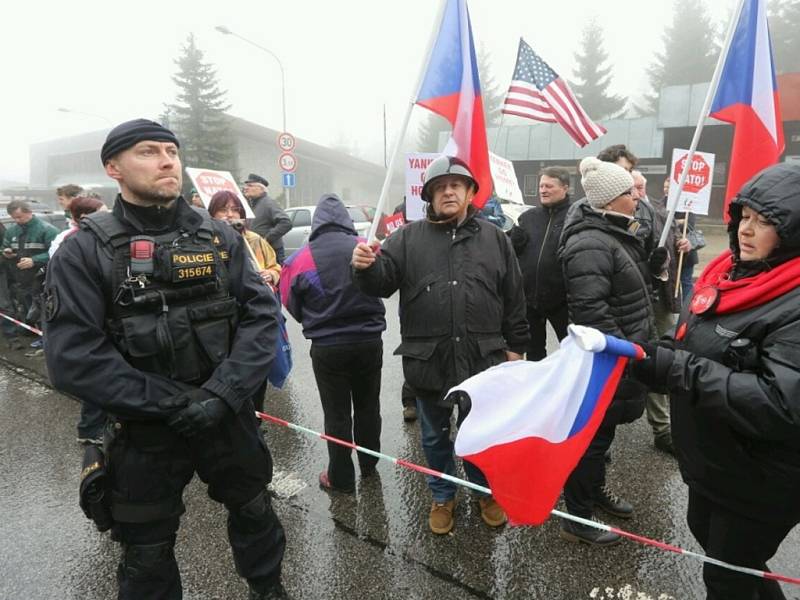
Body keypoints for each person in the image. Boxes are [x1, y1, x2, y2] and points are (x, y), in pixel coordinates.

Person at [42, 118, 287, 600]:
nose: (167, 160)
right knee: (146, 553)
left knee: (257, 514)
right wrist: (175, 404)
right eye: (149, 152)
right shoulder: (85, 250)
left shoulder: (220, 237)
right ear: (113, 167)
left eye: (171, 150)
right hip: (146, 430)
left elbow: (262, 318)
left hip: (225, 416)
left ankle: (269, 590)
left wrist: (222, 395)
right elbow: (74, 357)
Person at [632, 163, 800, 600]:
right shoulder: (725, 273)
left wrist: (677, 370)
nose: (747, 229)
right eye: (744, 216)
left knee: (727, 577)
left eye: (765, 222)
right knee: (726, 558)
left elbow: (780, 403)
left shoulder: (793, 300)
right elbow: (694, 337)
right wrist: (644, 354)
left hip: (759, 478)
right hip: (714, 461)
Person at [352, 155, 529, 535]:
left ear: (469, 193)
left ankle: (483, 492)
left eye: (456, 185)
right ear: (429, 196)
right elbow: (381, 284)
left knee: (480, 434)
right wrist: (365, 267)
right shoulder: (405, 239)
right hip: (429, 363)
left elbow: (514, 298)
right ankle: (442, 495)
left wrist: (516, 349)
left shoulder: (495, 239)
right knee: (434, 437)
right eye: (440, 187)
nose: (448, 191)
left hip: (484, 363)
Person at [558, 157, 662, 545]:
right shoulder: (589, 243)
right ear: (610, 200)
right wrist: (630, 352)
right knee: (590, 441)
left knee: (602, 438)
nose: (637, 199)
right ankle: (578, 516)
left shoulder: (613, 232)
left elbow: (626, 291)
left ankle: (593, 493)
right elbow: (593, 313)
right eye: (630, 193)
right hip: (609, 362)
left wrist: (655, 268)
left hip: (620, 357)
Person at [281, 194, 386, 493]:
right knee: (368, 407)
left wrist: (315, 318)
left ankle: (340, 478)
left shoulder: (299, 259)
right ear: (345, 219)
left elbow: (290, 302)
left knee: (336, 413)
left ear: (316, 223)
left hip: (328, 348)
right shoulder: (364, 249)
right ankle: (369, 465)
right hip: (368, 342)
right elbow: (383, 282)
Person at [48, 195, 109, 443]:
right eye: (103, 212)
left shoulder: (94, 237)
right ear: (85, 217)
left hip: (96, 310)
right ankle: (90, 430)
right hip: (82, 312)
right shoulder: (70, 241)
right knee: (97, 374)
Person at [509, 166, 572, 360]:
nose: (543, 190)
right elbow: (512, 254)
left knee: (570, 351)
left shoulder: (575, 217)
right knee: (534, 352)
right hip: (530, 300)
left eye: (549, 186)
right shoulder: (528, 217)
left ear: (565, 188)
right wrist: (513, 241)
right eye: (541, 185)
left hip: (562, 300)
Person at [1, 200, 59, 350]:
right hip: (21, 278)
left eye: (19, 217)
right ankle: (33, 331)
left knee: (44, 309)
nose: (16, 220)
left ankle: (46, 337)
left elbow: (58, 253)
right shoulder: (12, 231)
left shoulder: (47, 230)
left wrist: (35, 260)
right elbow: (5, 246)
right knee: (28, 306)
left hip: (42, 277)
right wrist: (7, 252)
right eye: (14, 217)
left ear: (29, 212)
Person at [208, 190, 281, 288]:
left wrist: (271, 274)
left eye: (234, 210)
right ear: (212, 214)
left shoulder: (254, 239)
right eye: (223, 210)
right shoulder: (207, 241)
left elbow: (275, 268)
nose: (230, 214)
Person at [243, 174, 292, 264]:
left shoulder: (268, 203)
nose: (245, 188)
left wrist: (266, 239)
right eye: (245, 185)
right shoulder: (252, 204)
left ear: (261, 189)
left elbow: (286, 223)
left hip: (271, 251)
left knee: (276, 277)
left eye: (250, 185)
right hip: (258, 252)